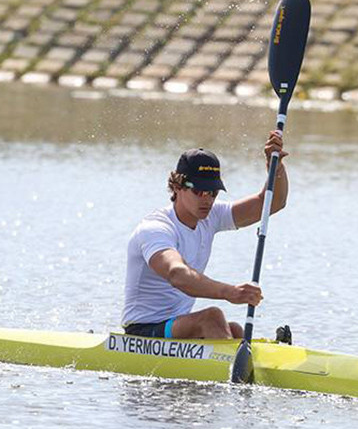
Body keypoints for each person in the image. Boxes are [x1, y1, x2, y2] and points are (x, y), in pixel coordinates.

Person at [122, 131, 289, 339]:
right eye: (199, 191)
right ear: (177, 186)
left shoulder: (211, 216)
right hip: (143, 331)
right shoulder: (155, 229)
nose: (207, 200)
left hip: (175, 326)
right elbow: (177, 274)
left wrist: (276, 166)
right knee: (211, 318)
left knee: (235, 330)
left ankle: (247, 366)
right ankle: (232, 369)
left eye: (213, 192)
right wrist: (229, 292)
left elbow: (272, 203)